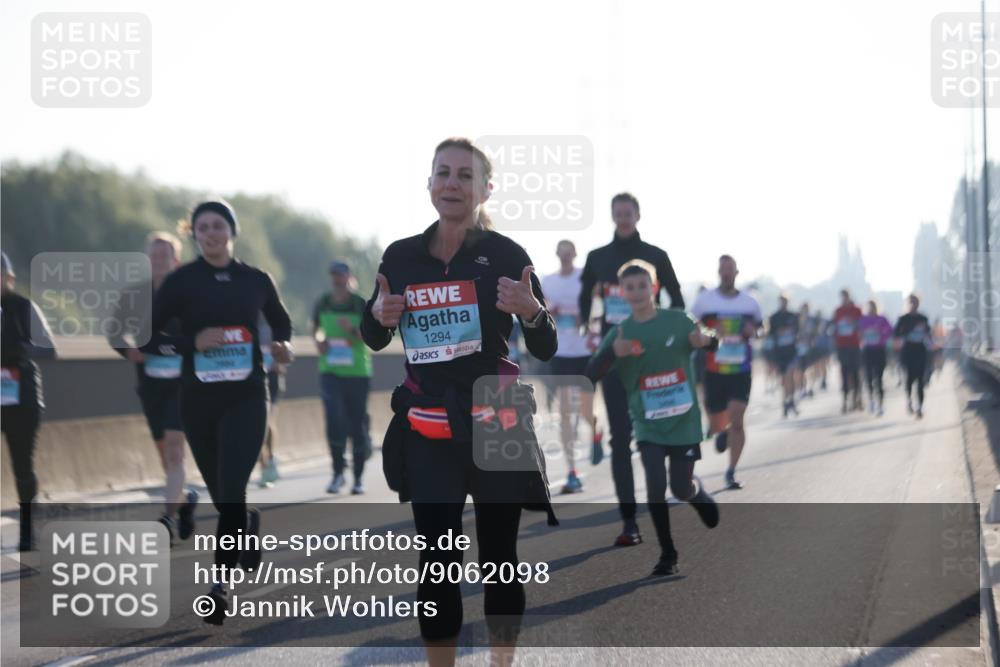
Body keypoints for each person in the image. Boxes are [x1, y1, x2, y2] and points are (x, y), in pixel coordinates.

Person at [361, 138, 557, 667]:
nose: (452, 183)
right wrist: (377, 315)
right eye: (443, 173)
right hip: (428, 422)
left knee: (500, 559)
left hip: (498, 413)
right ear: (428, 183)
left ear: (484, 189)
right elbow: (373, 334)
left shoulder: (508, 255)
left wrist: (533, 311)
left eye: (465, 176)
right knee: (437, 561)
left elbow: (545, 344)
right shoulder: (400, 256)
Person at [151, 200, 293, 625]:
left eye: (218, 226)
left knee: (231, 486)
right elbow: (151, 338)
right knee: (223, 493)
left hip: (248, 397)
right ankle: (245, 519)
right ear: (193, 234)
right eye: (202, 228)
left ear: (232, 231)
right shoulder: (181, 282)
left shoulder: (255, 279)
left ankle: (219, 585)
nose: (210, 233)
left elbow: (281, 324)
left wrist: (282, 348)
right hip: (198, 401)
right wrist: (193, 341)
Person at [585, 261, 719, 576]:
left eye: (642, 286)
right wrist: (611, 354)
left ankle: (695, 494)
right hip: (647, 423)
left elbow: (710, 338)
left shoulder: (678, 321)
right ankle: (667, 553)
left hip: (684, 421)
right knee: (656, 485)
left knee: (680, 487)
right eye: (629, 288)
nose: (637, 292)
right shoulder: (620, 333)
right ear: (622, 293)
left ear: (654, 288)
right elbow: (590, 375)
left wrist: (707, 341)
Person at [578, 192, 684, 547]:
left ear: (637, 215)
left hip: (652, 362)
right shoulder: (597, 258)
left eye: (628, 212)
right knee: (619, 439)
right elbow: (584, 296)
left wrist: (666, 335)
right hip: (615, 358)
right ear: (612, 216)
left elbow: (678, 299)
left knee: (656, 436)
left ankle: (674, 487)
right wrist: (589, 331)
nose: (623, 218)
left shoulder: (656, 256)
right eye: (618, 212)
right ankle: (629, 522)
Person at [108, 232, 199, 539]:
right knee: (165, 455)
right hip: (150, 385)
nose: (159, 260)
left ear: (176, 260)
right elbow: (114, 332)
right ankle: (185, 501)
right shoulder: (135, 295)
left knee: (175, 452)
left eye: (165, 255)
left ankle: (167, 519)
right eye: (154, 255)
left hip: (182, 384)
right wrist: (128, 351)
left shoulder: (188, 295)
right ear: (147, 260)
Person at [691, 255, 762, 491]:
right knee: (716, 424)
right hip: (713, 370)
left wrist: (755, 331)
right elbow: (690, 327)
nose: (726, 274)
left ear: (736, 272)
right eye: (723, 270)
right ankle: (722, 431)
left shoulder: (750, 303)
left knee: (738, 419)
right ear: (718, 272)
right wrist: (709, 331)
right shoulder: (705, 301)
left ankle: (731, 472)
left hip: (740, 369)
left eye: (730, 270)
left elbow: (762, 328)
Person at [1, 252, 56, 551]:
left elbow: (50, 349)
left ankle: (26, 528)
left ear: (9, 278)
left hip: (20, 395)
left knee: (22, 464)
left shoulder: (23, 307)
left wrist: (24, 348)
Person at [542, 239, 603, 494]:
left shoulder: (585, 278)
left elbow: (602, 309)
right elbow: (540, 310)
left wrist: (586, 315)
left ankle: (596, 431)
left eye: (570, 253)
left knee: (585, 410)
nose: (566, 256)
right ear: (557, 254)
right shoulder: (548, 282)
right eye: (562, 253)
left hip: (585, 351)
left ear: (575, 254)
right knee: (565, 410)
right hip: (561, 351)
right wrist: (550, 312)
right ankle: (572, 471)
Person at [312, 261, 372, 495]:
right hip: (330, 370)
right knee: (334, 421)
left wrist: (351, 330)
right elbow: (315, 327)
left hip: (357, 372)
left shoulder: (359, 303)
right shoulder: (324, 301)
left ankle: (358, 478)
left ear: (349, 277)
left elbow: (371, 337)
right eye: (333, 275)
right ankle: (337, 473)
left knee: (356, 425)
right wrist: (318, 340)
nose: (337, 279)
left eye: (340, 275)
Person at [256, 312, 285, 488]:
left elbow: (287, 345)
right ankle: (264, 466)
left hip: (272, 377)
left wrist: (280, 362)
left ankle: (271, 458)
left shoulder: (275, 322)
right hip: (253, 376)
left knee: (266, 422)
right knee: (255, 425)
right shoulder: (244, 315)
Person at [894, 294, 931, 419]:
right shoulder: (903, 318)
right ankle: (909, 401)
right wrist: (907, 332)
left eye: (915, 302)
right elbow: (896, 333)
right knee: (909, 379)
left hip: (920, 350)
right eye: (911, 302)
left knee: (920, 380)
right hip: (908, 351)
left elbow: (928, 333)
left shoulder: (923, 318)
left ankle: (920, 407)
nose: (913, 304)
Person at [858, 300, 893, 416]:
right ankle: (871, 401)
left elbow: (890, 331)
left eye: (873, 307)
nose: (871, 309)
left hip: (879, 351)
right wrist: (862, 335)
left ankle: (881, 405)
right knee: (868, 378)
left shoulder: (882, 319)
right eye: (869, 307)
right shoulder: (863, 319)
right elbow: (858, 333)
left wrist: (881, 333)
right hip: (867, 351)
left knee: (879, 379)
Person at [768, 294, 799, 417]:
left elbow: (798, 331)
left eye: (785, 302)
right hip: (779, 353)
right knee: (784, 378)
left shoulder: (793, 316)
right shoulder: (774, 317)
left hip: (791, 351)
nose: (783, 304)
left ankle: (791, 400)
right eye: (781, 301)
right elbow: (770, 334)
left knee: (791, 376)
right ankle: (785, 402)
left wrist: (789, 332)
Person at [833, 290, 863, 413]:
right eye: (842, 297)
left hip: (855, 345)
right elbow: (834, 328)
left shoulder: (857, 310)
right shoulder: (838, 311)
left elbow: (862, 326)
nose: (844, 299)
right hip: (842, 346)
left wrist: (855, 324)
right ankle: (845, 401)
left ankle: (857, 398)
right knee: (844, 373)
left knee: (856, 373)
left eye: (846, 297)